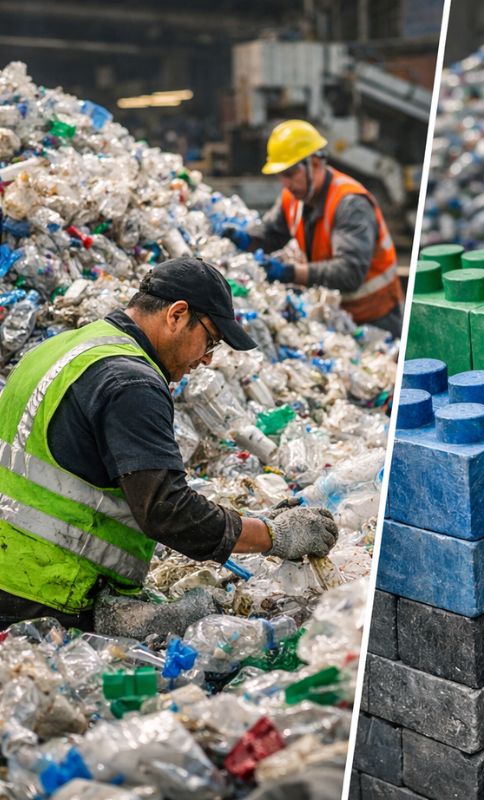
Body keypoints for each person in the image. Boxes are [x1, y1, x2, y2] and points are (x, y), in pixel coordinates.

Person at [0, 257, 339, 636]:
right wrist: (273, 536)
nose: (208, 358)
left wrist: (251, 524)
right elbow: (166, 511)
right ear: (177, 315)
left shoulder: (61, 349)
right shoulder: (130, 382)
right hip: (44, 595)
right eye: (210, 340)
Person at [222, 120, 403, 336]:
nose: (285, 183)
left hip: (375, 318)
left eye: (290, 174)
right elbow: (271, 234)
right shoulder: (295, 197)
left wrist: (289, 273)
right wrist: (243, 239)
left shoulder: (349, 203)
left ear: (315, 164)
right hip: (336, 314)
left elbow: (349, 273)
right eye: (281, 175)